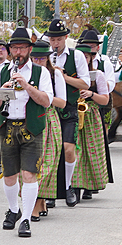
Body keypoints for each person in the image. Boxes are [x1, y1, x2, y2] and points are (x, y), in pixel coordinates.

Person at [0, 27, 55, 237]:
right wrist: (3, 91)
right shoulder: (1, 72)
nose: (18, 52)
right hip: (7, 126)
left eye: (22, 48)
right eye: (15, 48)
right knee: (9, 176)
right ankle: (13, 210)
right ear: (10, 50)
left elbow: (46, 101)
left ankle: (26, 218)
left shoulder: (40, 72)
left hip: (31, 127)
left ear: (29, 49)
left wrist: (27, 86)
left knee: (29, 174)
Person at [44, 18, 91, 207]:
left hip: (69, 107)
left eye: (59, 39)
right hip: (49, 107)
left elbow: (85, 83)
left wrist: (62, 76)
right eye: (52, 40)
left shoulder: (77, 56)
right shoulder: (44, 55)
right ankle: (49, 189)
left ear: (66, 38)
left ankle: (68, 185)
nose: (55, 43)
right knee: (50, 151)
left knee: (68, 149)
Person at [27, 41, 66, 221]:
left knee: (46, 162)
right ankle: (37, 201)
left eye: (42, 58)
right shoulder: (24, 72)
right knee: (30, 162)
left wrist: (43, 96)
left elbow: (62, 102)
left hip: (47, 118)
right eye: (35, 57)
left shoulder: (54, 74)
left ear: (47, 58)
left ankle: (37, 202)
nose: (38, 61)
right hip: (27, 118)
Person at [72, 44, 111, 201]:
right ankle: (74, 187)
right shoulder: (72, 74)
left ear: (91, 58)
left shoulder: (98, 74)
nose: (83, 59)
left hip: (91, 114)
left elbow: (105, 99)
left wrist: (91, 94)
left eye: (86, 57)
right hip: (74, 113)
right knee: (75, 151)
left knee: (91, 150)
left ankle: (90, 185)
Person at [78, 30, 116, 186]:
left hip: (98, 104)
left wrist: (96, 82)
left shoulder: (104, 62)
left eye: (92, 46)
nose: (89, 49)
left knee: (97, 142)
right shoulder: (76, 65)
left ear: (97, 48)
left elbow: (110, 85)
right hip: (80, 106)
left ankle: (92, 181)